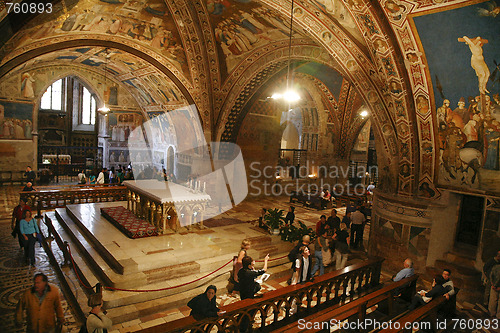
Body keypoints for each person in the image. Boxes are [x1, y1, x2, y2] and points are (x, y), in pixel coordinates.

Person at [238, 254, 269, 332]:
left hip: (243, 291)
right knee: (249, 310)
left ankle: (241, 321)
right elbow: (264, 270)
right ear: (249, 264)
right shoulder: (249, 273)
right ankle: (244, 327)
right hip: (248, 293)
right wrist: (266, 260)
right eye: (252, 261)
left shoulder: (241, 271)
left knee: (244, 307)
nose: (254, 262)